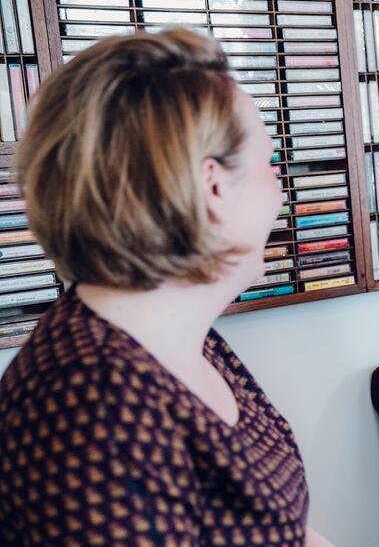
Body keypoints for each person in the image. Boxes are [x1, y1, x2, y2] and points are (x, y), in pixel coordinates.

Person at [0, 29, 333, 546]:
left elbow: (282, 530)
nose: (281, 193)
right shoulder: (94, 406)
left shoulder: (185, 340)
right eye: (269, 164)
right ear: (212, 188)